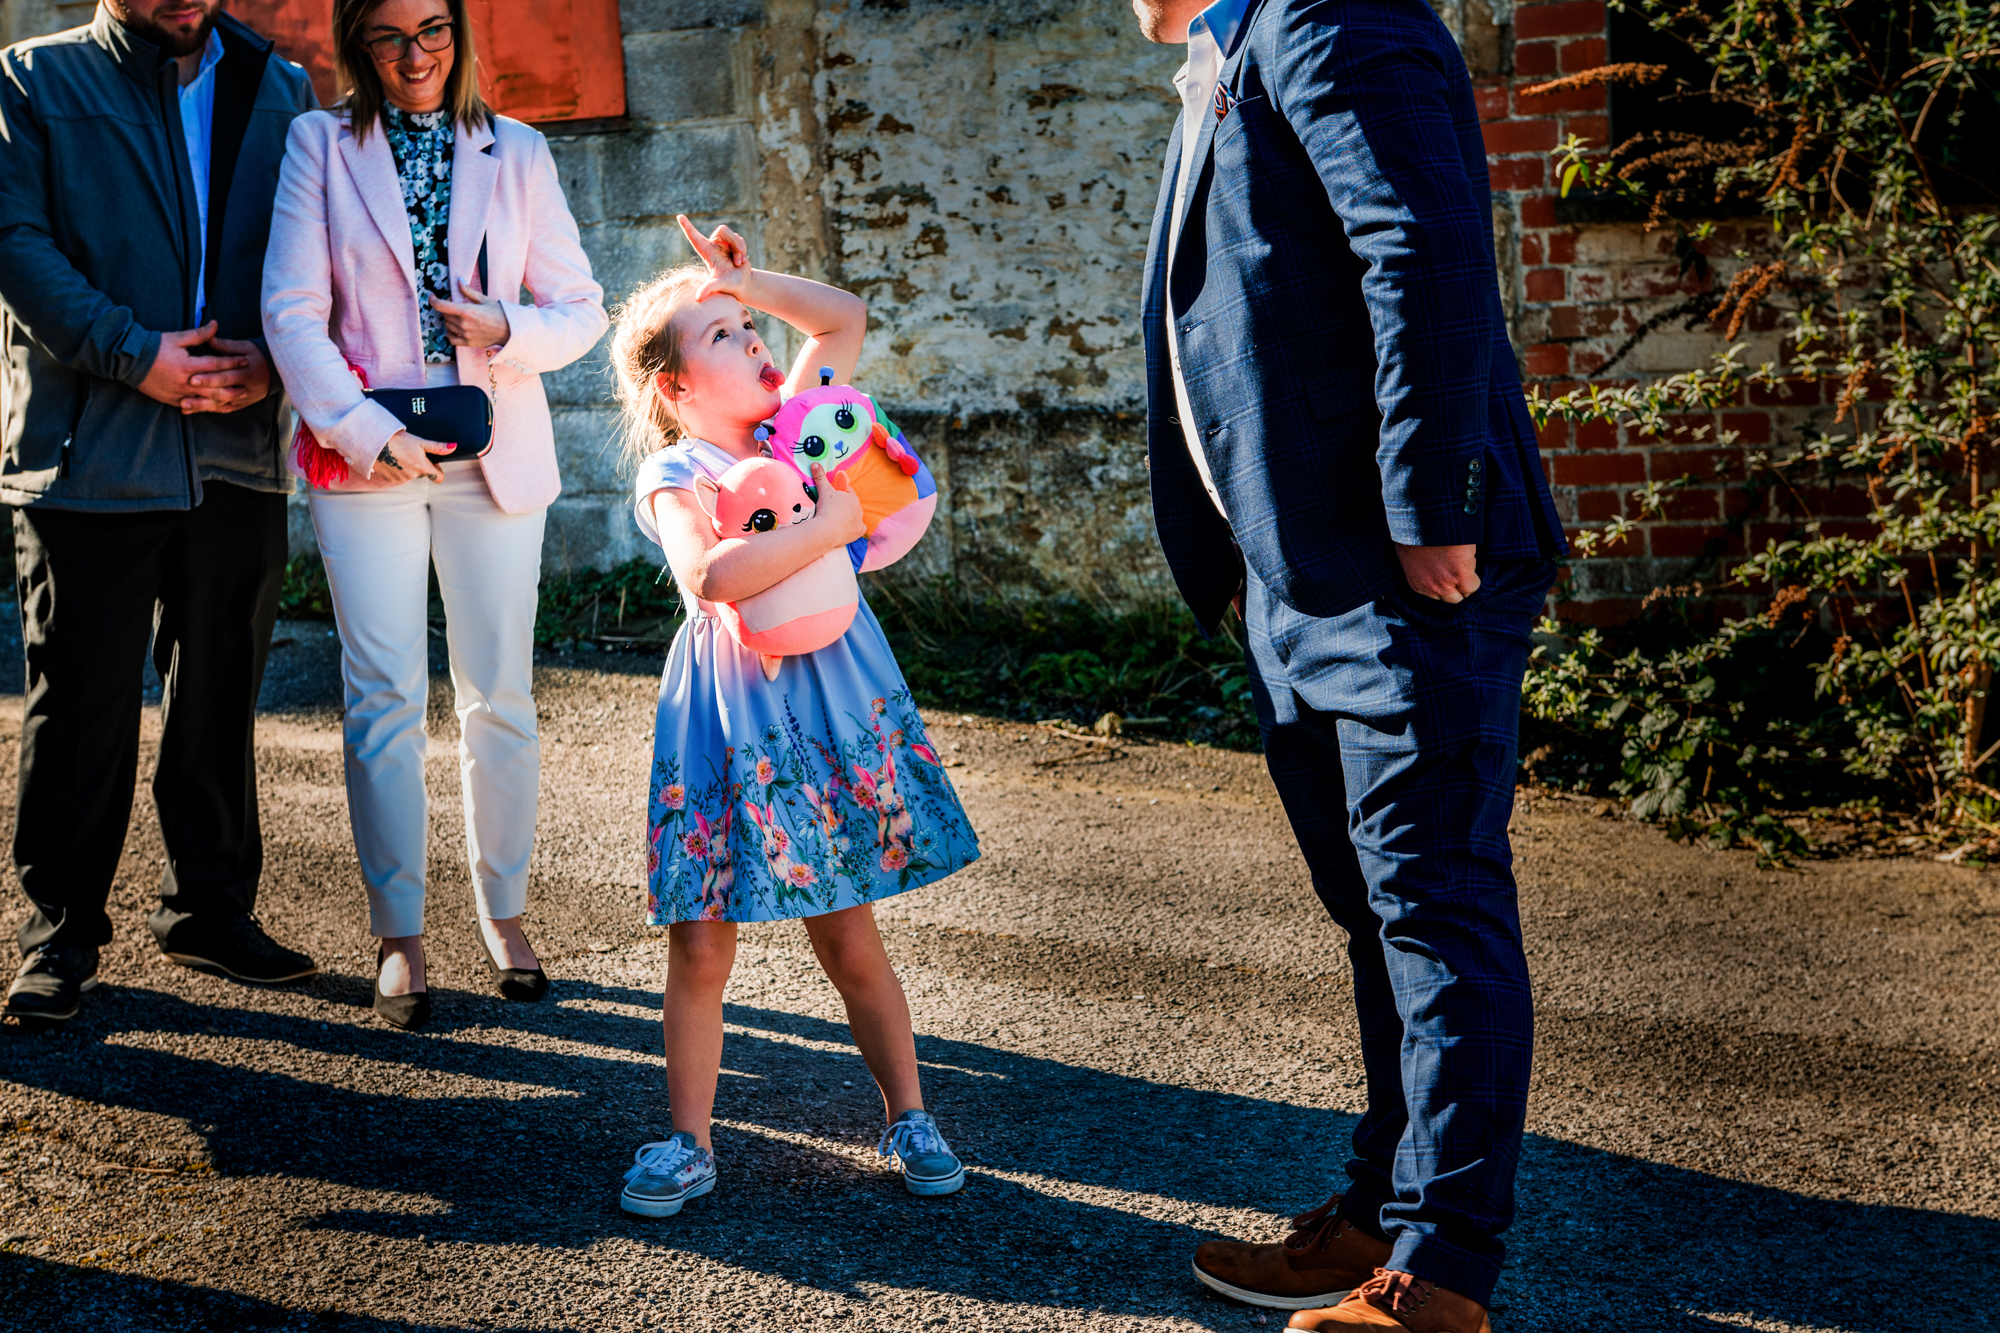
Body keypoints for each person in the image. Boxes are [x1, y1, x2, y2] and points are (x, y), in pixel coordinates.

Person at [1128, 0, 1567, 1328]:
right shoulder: (1232, 54)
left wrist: (1432, 502)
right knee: (1375, 914)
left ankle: (1439, 1276)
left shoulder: (1332, 15)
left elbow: (1420, 250)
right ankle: (1383, 1211)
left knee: (1432, 907)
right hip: (1296, 572)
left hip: (1397, 570)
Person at [608, 215, 981, 1218]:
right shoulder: (677, 473)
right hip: (734, 717)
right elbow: (713, 573)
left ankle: (908, 1112)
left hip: (828, 701)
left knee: (847, 929)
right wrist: (832, 523)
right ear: (673, 388)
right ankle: (687, 1139)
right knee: (701, 940)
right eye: (722, 336)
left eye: (750, 327)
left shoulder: (804, 421)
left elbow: (845, 317)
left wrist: (742, 281)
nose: (755, 341)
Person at [261, 0, 606, 1031]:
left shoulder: (519, 151)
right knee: (380, 694)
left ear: (457, 34)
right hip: (365, 452)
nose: (415, 56)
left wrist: (507, 324)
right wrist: (366, 428)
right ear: (355, 46)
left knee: (498, 692)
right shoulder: (318, 143)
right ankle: (399, 932)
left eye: (433, 31)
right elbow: (289, 310)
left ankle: (504, 911)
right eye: (389, 36)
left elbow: (581, 307)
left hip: (490, 448)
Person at [0, 0, 320, 1023]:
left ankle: (210, 912)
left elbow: (311, 257)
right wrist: (134, 354)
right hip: (87, 448)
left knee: (221, 692)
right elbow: (15, 241)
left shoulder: (280, 86)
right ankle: (59, 936)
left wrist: (280, 363)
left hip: (236, 449)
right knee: (83, 698)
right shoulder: (31, 80)